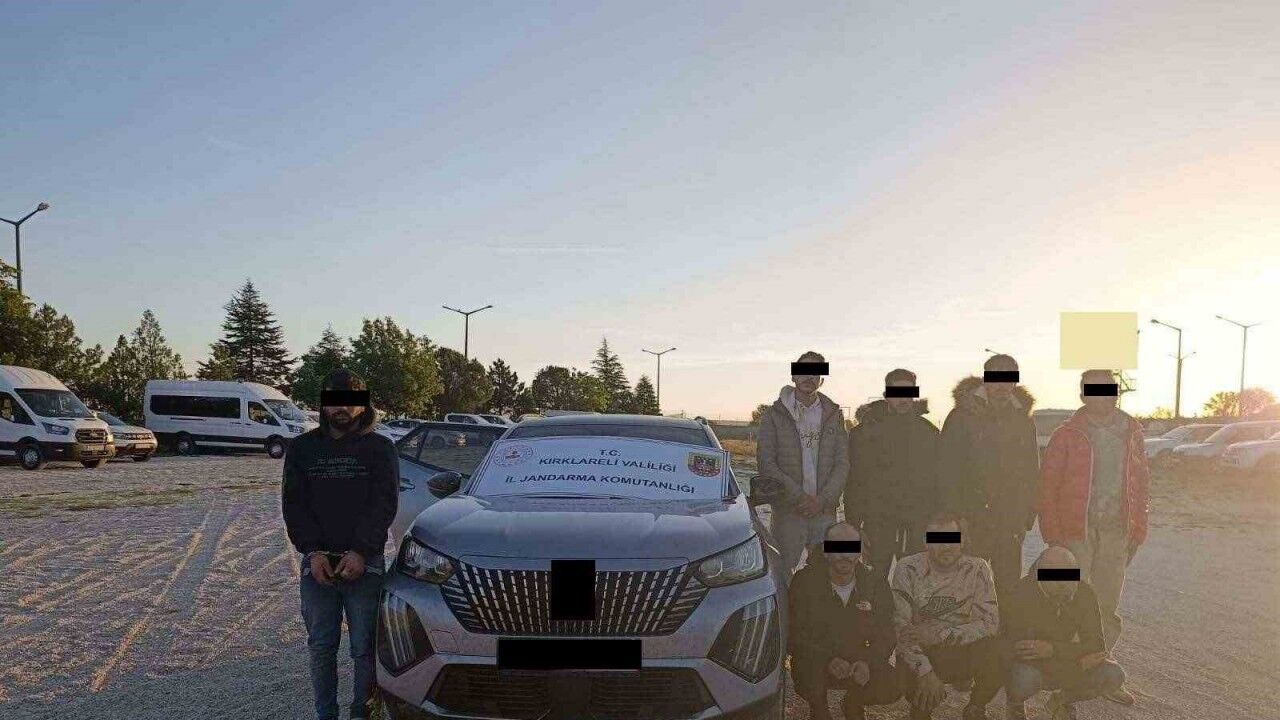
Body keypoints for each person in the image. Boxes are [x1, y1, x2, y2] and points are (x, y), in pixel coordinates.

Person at [282, 369, 399, 720]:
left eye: (350, 401)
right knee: (321, 647)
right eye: (334, 401)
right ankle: (326, 714)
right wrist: (312, 551)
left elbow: (384, 505)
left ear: (363, 405)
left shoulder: (380, 449)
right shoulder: (302, 449)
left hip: (365, 565)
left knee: (364, 649)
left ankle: (361, 714)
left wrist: (361, 551)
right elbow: (294, 505)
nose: (341, 408)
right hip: (318, 566)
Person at [1037, 369, 1150, 705]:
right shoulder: (1067, 434)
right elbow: (1047, 486)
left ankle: (1101, 672)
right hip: (1075, 534)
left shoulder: (1131, 432)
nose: (1101, 396)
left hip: (1116, 532)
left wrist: (1138, 529)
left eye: (1107, 390)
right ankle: (1064, 677)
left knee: (1106, 606)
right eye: (1094, 390)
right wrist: (1053, 536)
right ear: (1083, 395)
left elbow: (1141, 482)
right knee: (1070, 602)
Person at [939, 354, 1040, 599]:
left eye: (1008, 379)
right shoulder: (961, 416)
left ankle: (1005, 626)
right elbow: (946, 470)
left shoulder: (1022, 420)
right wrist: (955, 516)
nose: (1002, 386)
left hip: (1009, 520)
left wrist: (1026, 517)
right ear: (985, 380)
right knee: (967, 586)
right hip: (971, 518)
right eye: (996, 379)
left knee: (1008, 588)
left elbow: (1031, 470)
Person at [891, 513, 1001, 720]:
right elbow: (900, 628)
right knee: (908, 665)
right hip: (923, 650)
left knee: (999, 651)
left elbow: (990, 623)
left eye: (952, 538)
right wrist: (926, 672)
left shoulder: (978, 568)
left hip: (960, 647)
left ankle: (976, 707)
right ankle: (920, 710)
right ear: (926, 542)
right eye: (938, 540)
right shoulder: (907, 568)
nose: (946, 546)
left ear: (962, 541)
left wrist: (940, 635)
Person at [788, 523, 901, 720]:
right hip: (818, 660)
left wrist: (867, 662)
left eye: (851, 547)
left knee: (893, 685)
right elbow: (794, 634)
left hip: (858, 658)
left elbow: (887, 633)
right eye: (837, 547)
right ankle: (818, 708)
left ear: (859, 551)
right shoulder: (804, 581)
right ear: (826, 551)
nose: (845, 555)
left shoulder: (875, 583)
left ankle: (853, 702)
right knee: (807, 673)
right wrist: (828, 660)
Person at [1000, 547, 1127, 720]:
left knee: (1113, 674)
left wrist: (1053, 649)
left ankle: (1061, 701)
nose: (1065, 586)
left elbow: (1097, 647)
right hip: (1032, 665)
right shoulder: (1020, 593)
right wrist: (1078, 662)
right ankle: (1015, 703)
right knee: (1023, 677)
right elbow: (1020, 650)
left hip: (1064, 660)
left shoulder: (1084, 591)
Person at [756, 350, 850, 575]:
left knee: (827, 573)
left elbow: (843, 462)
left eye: (816, 373)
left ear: (822, 379)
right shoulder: (773, 415)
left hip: (824, 512)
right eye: (804, 371)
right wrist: (799, 497)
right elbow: (766, 463)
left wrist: (823, 499)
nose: (809, 377)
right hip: (789, 511)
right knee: (782, 573)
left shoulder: (834, 415)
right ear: (793, 376)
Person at [843, 368, 940, 582]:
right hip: (877, 522)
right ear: (887, 395)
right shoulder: (864, 433)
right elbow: (855, 480)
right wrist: (854, 524)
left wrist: (936, 523)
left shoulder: (928, 433)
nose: (903, 399)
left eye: (908, 393)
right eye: (897, 393)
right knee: (873, 581)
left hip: (916, 524)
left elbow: (938, 480)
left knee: (915, 582)